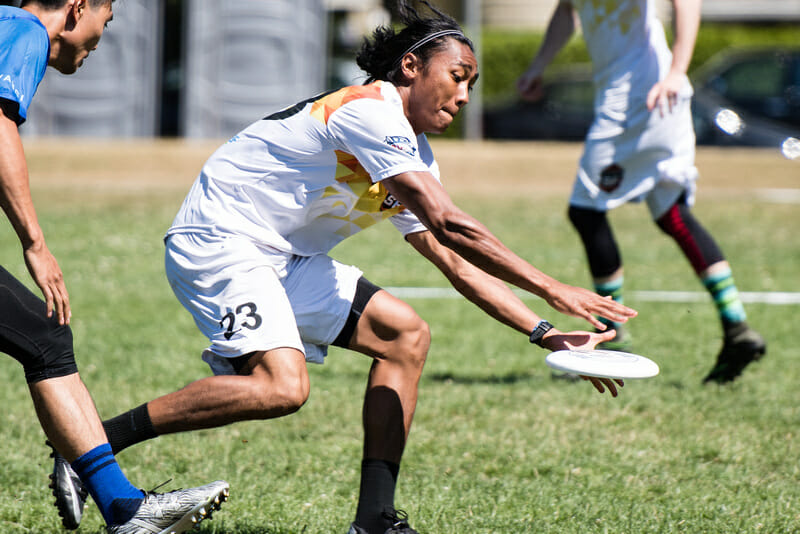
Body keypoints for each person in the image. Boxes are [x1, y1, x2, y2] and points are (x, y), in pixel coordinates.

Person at [48, 1, 637, 532]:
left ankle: (375, 520)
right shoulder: (369, 111)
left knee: (405, 335)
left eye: (471, 86)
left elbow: (451, 258)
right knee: (282, 387)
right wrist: (555, 287)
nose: (463, 96)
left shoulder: (409, 149)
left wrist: (545, 333)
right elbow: (453, 224)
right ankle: (90, 448)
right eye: (457, 78)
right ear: (411, 67)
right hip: (221, 240)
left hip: (282, 258)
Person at [0, 1, 230, 532]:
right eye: (108, 14)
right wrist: (34, 242)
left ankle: (125, 507)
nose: (105, 33)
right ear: (78, 6)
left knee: (44, 337)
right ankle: (127, 511)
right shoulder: (24, 31)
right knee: (46, 340)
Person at [517, 0, 765, 384]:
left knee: (586, 211)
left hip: (638, 102)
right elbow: (567, 11)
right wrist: (538, 65)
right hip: (653, 101)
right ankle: (736, 326)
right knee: (672, 214)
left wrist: (677, 72)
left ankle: (612, 334)